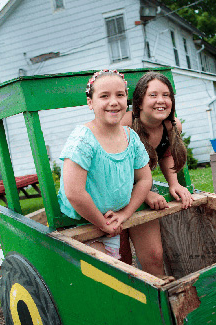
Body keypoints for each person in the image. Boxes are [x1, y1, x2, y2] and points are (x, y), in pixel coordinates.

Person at [58, 69, 152, 260]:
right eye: (104, 96)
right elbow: (74, 192)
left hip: (111, 221)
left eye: (120, 95)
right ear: (90, 102)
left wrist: (125, 213)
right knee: (104, 273)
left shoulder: (131, 137)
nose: (113, 102)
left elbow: (144, 179)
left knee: (117, 267)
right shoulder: (83, 139)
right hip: (80, 225)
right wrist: (102, 223)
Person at [120, 71, 192, 277]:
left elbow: (166, 152)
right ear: (139, 102)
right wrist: (144, 192)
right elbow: (113, 169)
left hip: (139, 189)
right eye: (153, 95)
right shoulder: (123, 126)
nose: (161, 100)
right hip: (109, 195)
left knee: (153, 256)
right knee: (120, 259)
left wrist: (174, 183)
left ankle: (156, 304)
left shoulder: (172, 125)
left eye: (166, 95)